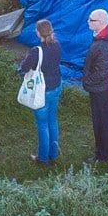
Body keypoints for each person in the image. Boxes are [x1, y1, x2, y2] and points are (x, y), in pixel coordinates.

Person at [18, 18, 63, 164]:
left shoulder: (36, 51)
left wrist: (22, 65)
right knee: (52, 120)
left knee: (42, 124)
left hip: (42, 90)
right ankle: (54, 154)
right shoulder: (57, 45)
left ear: (38, 33)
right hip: (56, 85)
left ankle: (43, 157)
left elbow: (24, 68)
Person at [82, 9, 108, 163]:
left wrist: (87, 82)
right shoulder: (105, 36)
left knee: (100, 121)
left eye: (92, 20)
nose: (88, 22)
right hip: (106, 85)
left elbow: (102, 72)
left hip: (100, 88)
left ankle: (102, 154)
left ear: (102, 23)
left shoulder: (103, 45)